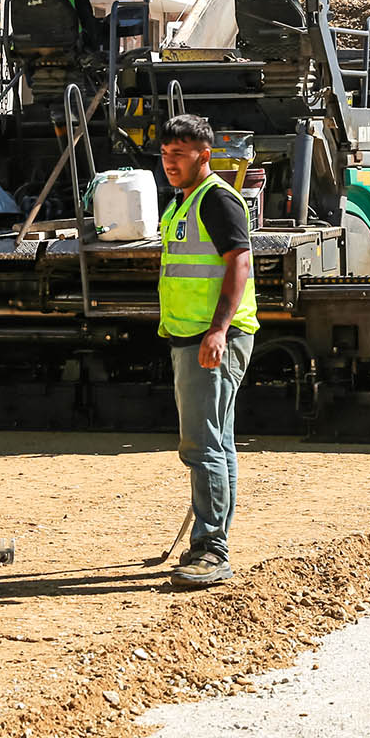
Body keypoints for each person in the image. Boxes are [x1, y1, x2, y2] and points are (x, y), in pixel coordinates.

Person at [155, 113, 255, 589]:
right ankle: (213, 544)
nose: (170, 162)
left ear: (204, 154)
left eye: (180, 154)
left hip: (212, 339)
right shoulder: (184, 203)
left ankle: (212, 550)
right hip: (191, 336)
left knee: (203, 446)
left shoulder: (216, 200)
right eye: (166, 154)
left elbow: (240, 262)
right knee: (217, 444)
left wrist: (218, 329)